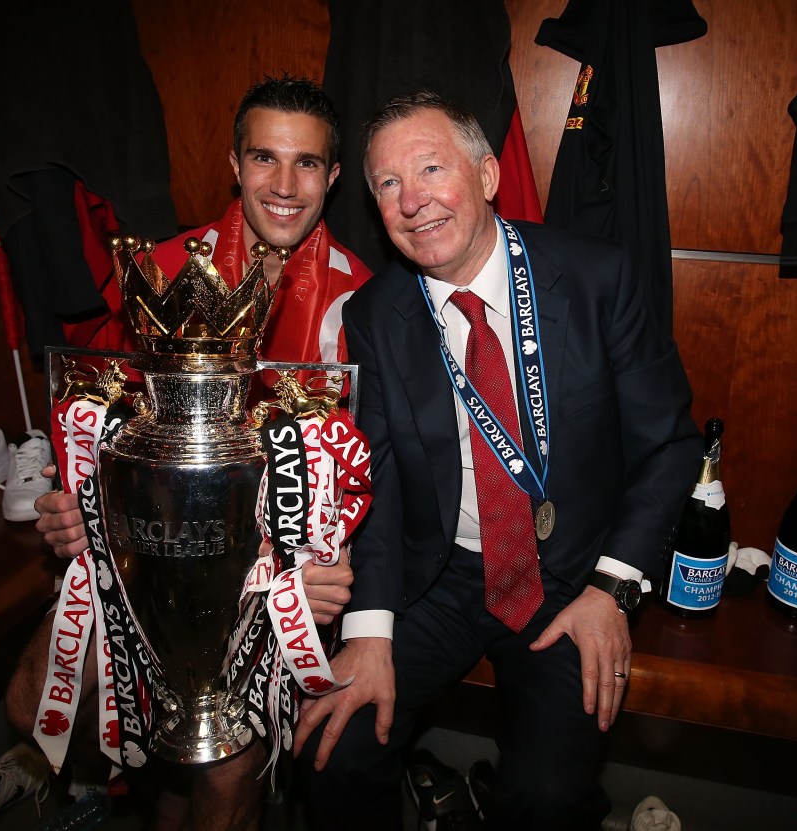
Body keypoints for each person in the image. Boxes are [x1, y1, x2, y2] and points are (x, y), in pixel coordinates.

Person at [292, 91, 702, 829]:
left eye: (429, 169)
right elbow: (374, 479)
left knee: (545, 798)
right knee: (336, 748)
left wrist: (613, 588)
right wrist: (368, 634)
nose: (411, 200)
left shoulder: (596, 279)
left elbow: (670, 445)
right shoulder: (374, 315)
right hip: (439, 575)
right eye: (387, 184)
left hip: (570, 575)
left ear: (486, 175)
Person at [7, 75, 370, 831]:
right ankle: (146, 795)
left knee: (227, 762)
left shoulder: (365, 301)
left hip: (273, 578)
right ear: (234, 165)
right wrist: (75, 506)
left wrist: (336, 564)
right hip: (151, 547)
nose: (284, 184)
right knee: (30, 697)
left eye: (307, 164)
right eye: (264, 158)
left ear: (333, 178)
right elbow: (98, 418)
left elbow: (367, 471)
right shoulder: (161, 271)